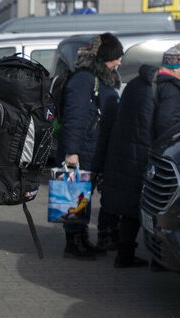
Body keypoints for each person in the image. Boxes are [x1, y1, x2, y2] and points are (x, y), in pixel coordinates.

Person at [102, 43, 180, 268]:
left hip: (129, 154)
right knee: (156, 207)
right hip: (150, 158)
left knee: (130, 207)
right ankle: (159, 259)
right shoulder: (172, 89)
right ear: (176, 67)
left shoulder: (138, 82)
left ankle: (124, 255)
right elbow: (169, 127)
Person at [58, 33, 123, 260]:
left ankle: (82, 240)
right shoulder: (84, 79)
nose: (119, 62)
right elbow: (74, 117)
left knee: (82, 197)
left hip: (93, 149)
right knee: (75, 197)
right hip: (81, 150)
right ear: (105, 57)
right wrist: (71, 152)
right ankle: (73, 244)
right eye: (116, 57)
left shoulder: (101, 78)